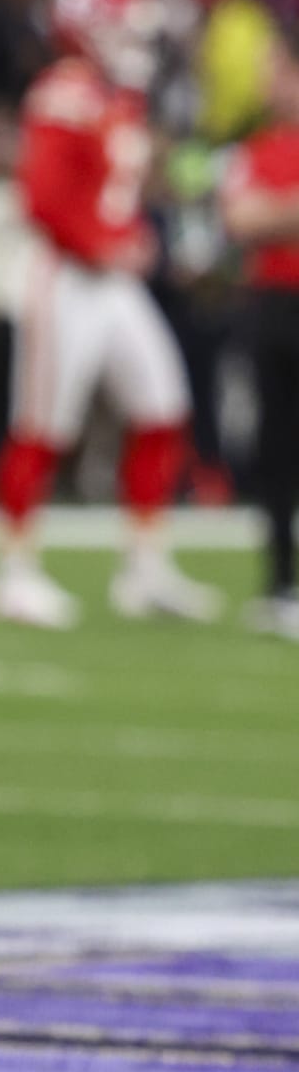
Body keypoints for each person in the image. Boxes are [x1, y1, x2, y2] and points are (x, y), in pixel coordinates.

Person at [0, 0, 219, 629]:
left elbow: (112, 193)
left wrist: (135, 234)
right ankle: (13, 576)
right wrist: (103, 243)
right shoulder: (64, 94)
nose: (133, 36)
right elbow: (43, 199)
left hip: (112, 282)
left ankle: (145, 570)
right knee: (43, 428)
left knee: (163, 409)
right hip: (66, 277)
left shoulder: (117, 96)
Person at [220, 41, 299, 641]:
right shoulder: (258, 150)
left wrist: (274, 213)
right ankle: (280, 582)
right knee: (275, 448)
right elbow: (240, 220)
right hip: (273, 308)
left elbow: (257, 216)